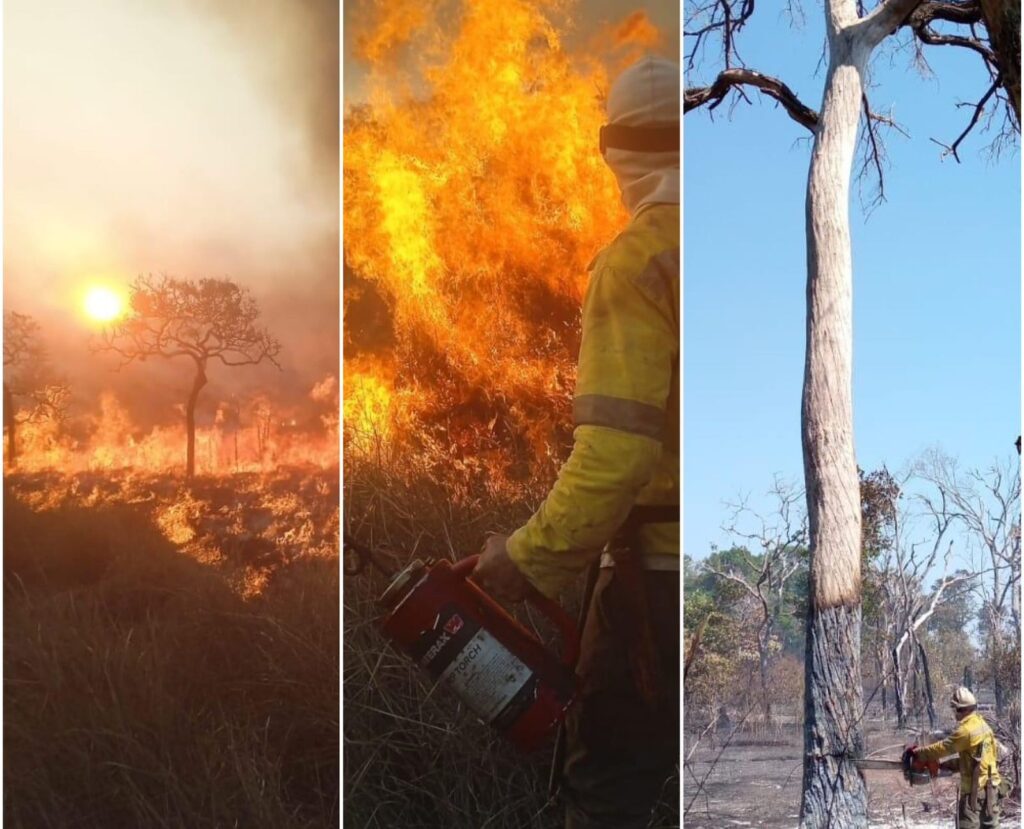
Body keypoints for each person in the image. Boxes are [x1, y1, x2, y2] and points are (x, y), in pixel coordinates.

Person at [472, 55, 680, 829]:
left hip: (651, 588)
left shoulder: (637, 261)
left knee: (604, 795)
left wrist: (530, 555)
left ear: (612, 147)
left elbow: (617, 454)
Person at [911, 686, 1007, 829]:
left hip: (974, 792)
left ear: (961, 709)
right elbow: (977, 760)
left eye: (955, 709)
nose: (955, 712)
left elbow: (941, 748)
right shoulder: (983, 726)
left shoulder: (966, 731)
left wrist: (916, 753)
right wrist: (944, 766)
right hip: (992, 790)